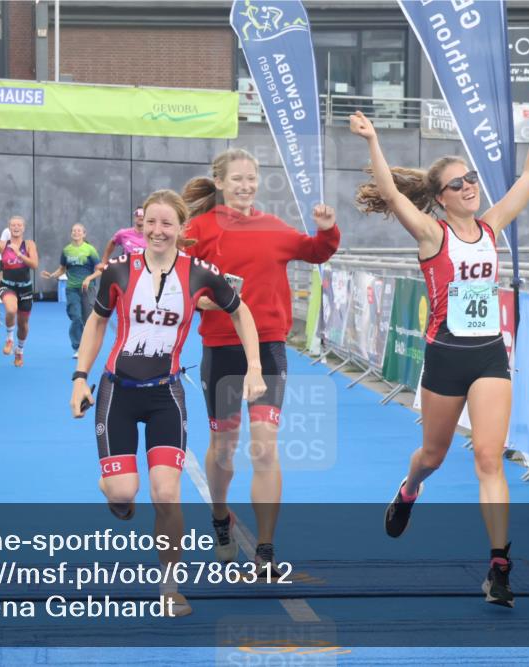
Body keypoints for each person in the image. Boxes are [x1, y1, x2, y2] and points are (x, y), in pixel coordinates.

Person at [349, 85, 529, 608]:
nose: (470, 186)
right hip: (446, 357)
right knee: (433, 456)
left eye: (471, 178)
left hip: (489, 355)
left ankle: (499, 565)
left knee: (490, 458)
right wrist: (374, 140)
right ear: (441, 197)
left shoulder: (492, 227)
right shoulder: (431, 236)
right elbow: (394, 195)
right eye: (458, 183)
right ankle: (408, 490)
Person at [70, 189, 266, 618]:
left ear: (180, 229)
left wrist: (253, 366)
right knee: (124, 492)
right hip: (117, 392)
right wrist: (79, 379)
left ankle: (170, 587)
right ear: (141, 227)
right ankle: (113, 488)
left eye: (167, 223)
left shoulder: (200, 273)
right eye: (151, 223)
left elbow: (241, 311)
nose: (158, 231)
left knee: (166, 494)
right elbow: (97, 322)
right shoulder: (119, 271)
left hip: (166, 395)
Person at [181, 148, 340, 575]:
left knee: (265, 447)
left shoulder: (274, 227)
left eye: (252, 178)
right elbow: (176, 278)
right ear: (219, 182)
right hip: (221, 349)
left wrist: (327, 230)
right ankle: (220, 516)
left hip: (268, 348)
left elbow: (315, 251)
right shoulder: (199, 229)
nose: (246, 186)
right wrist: (201, 302)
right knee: (224, 449)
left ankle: (266, 548)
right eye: (237, 179)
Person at [0, 216, 38, 367]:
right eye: (13, 225)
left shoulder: (29, 245)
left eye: (19, 225)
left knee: (23, 324)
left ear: (23, 228)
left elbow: (34, 265)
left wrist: (19, 254)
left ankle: (19, 351)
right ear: (9, 227)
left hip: (25, 288)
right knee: (11, 309)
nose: (16, 227)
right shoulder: (2, 245)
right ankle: (9, 339)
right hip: (7, 285)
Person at [41, 224, 100, 358]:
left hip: (88, 289)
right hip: (72, 288)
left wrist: (88, 279)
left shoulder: (90, 250)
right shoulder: (67, 250)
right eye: (74, 230)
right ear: (71, 233)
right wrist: (51, 275)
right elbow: (62, 269)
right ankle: (78, 347)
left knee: (88, 320)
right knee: (76, 317)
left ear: (84, 234)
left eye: (79, 231)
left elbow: (99, 269)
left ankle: (89, 346)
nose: (76, 232)